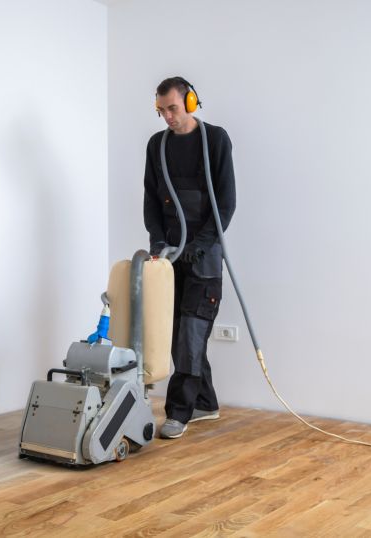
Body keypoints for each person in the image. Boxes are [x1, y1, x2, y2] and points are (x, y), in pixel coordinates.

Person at [143, 76, 236, 439]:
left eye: (173, 108)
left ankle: (178, 412)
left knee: (191, 336)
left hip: (204, 258)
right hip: (169, 256)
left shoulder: (215, 139)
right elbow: (151, 199)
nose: (167, 116)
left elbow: (225, 202)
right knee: (178, 334)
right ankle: (206, 403)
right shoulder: (158, 145)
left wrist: (202, 244)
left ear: (192, 103)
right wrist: (157, 244)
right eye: (161, 110)